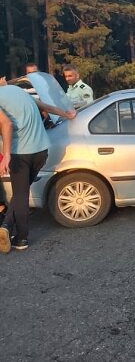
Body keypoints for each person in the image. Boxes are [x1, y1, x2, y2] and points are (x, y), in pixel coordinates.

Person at [0, 84, 76, 253]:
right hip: (41, 151)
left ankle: (22, 238)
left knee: (20, 195)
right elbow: (44, 106)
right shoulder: (18, 90)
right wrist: (66, 114)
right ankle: (6, 227)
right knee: (21, 193)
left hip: (20, 153)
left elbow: (6, 124)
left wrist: (6, 155)